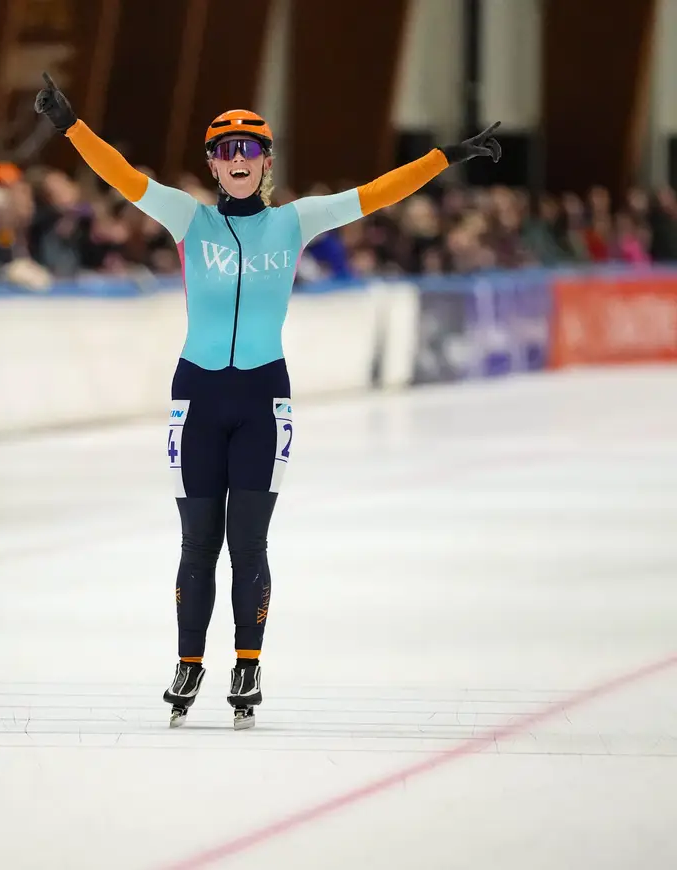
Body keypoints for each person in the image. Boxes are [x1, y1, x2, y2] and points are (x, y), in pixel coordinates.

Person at [34, 72, 501, 729]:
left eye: (249, 151)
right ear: (212, 164)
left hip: (262, 399)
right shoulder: (186, 218)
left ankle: (247, 661)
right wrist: (70, 126)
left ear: (266, 162)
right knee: (197, 543)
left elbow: (375, 194)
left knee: (248, 544)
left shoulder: (294, 222)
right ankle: (189, 661)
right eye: (226, 152)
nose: (238, 162)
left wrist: (444, 157)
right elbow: (118, 176)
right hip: (196, 397)